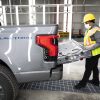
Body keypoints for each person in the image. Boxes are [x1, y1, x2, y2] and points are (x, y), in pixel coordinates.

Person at [74, 13, 100, 89]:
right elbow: (89, 40)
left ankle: (82, 84)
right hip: (91, 52)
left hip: (94, 53)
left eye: (86, 22)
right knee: (94, 67)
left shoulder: (97, 30)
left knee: (88, 68)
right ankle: (96, 81)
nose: (85, 24)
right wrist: (82, 46)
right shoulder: (89, 29)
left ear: (90, 21)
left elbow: (99, 43)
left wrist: (87, 48)